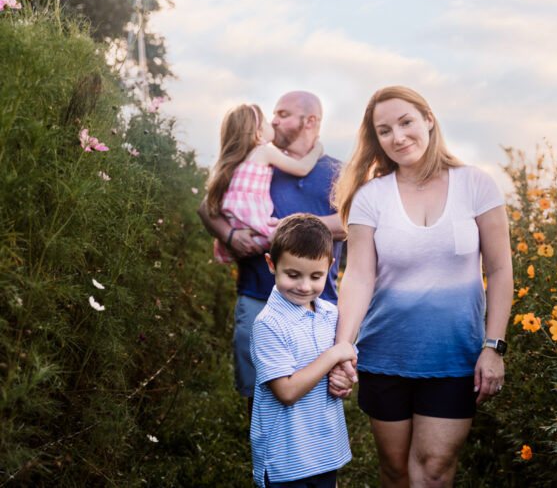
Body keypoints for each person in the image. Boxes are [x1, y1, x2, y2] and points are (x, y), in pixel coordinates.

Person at [330, 86, 513, 487]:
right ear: (375, 139)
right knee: (396, 471)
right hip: (386, 354)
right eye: (384, 130)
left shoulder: (477, 185)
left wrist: (493, 346)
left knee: (432, 470)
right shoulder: (370, 197)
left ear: (429, 118)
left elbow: (500, 270)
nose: (398, 137)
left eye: (406, 122)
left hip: (455, 358)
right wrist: (343, 349)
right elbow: (359, 277)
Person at [197, 91, 346, 413]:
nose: (273, 120)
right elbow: (207, 208)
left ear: (311, 121)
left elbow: (353, 222)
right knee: (261, 395)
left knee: (318, 396)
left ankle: (319, 460)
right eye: (272, 114)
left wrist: (295, 229)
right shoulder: (256, 159)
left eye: (282, 114)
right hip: (257, 297)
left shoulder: (338, 171)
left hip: (317, 303)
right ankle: (265, 460)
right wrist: (231, 234)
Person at [250, 213, 356, 488]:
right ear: (271, 264)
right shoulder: (268, 324)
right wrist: (333, 355)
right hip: (286, 458)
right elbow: (286, 392)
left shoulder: (331, 315)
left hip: (324, 451)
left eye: (316, 276)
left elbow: (340, 366)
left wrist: (343, 379)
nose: (304, 286)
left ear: (331, 267)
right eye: (293, 275)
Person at [205, 103, 323, 264]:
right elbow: (302, 168)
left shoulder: (235, 162)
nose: (272, 123)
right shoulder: (265, 151)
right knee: (294, 238)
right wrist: (317, 149)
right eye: (266, 121)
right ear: (259, 133)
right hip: (256, 224)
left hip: (239, 226)